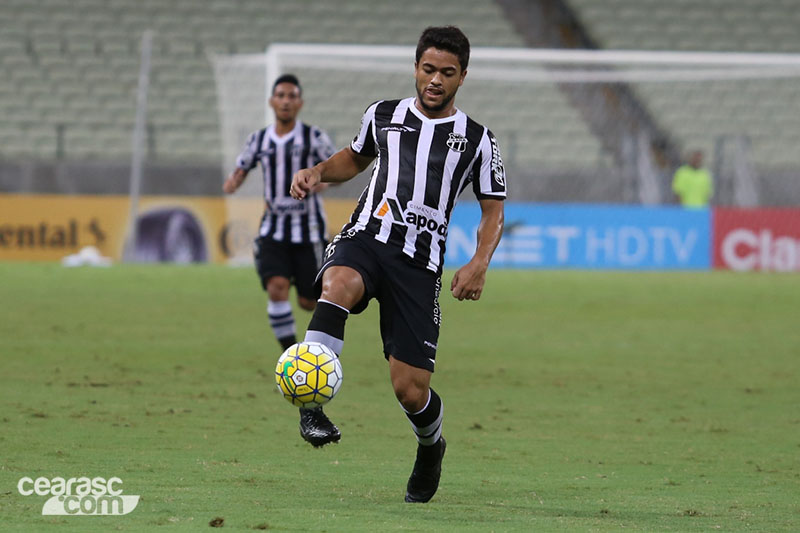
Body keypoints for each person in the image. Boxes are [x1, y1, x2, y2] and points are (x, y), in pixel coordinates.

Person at [290, 26, 506, 503]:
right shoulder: (383, 115)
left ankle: (431, 448)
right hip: (367, 237)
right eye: (428, 69)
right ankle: (311, 405)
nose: (435, 80)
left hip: (419, 265)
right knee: (338, 282)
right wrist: (318, 172)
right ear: (415, 68)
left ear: (462, 77)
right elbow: (355, 158)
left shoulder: (477, 140)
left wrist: (479, 263)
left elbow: (493, 210)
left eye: (446, 73)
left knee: (410, 389)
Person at [224, 74, 336, 351]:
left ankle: (314, 343)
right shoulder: (258, 140)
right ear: (272, 102)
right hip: (273, 229)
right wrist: (233, 182)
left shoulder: (314, 137)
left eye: (291, 96)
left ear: (300, 103)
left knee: (309, 301)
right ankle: (291, 354)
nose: (286, 101)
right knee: (276, 287)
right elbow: (241, 168)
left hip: (309, 231)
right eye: (281, 96)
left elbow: (337, 169)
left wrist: (323, 182)